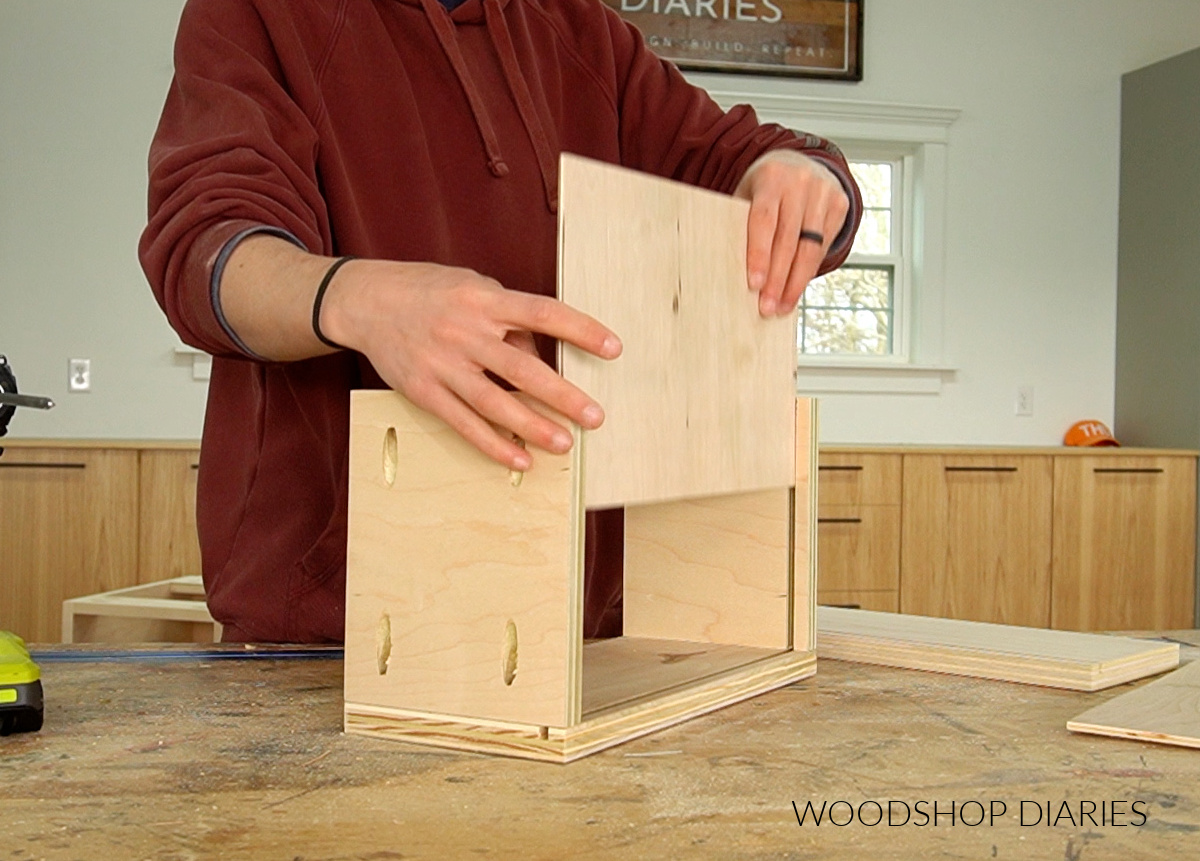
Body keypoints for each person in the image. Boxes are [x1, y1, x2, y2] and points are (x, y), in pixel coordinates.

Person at [139, 0, 863, 644]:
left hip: (582, 631)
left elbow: (745, 158)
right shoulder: (254, 12)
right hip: (338, 633)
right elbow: (207, 250)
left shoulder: (581, 29)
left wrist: (804, 180)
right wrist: (355, 299)